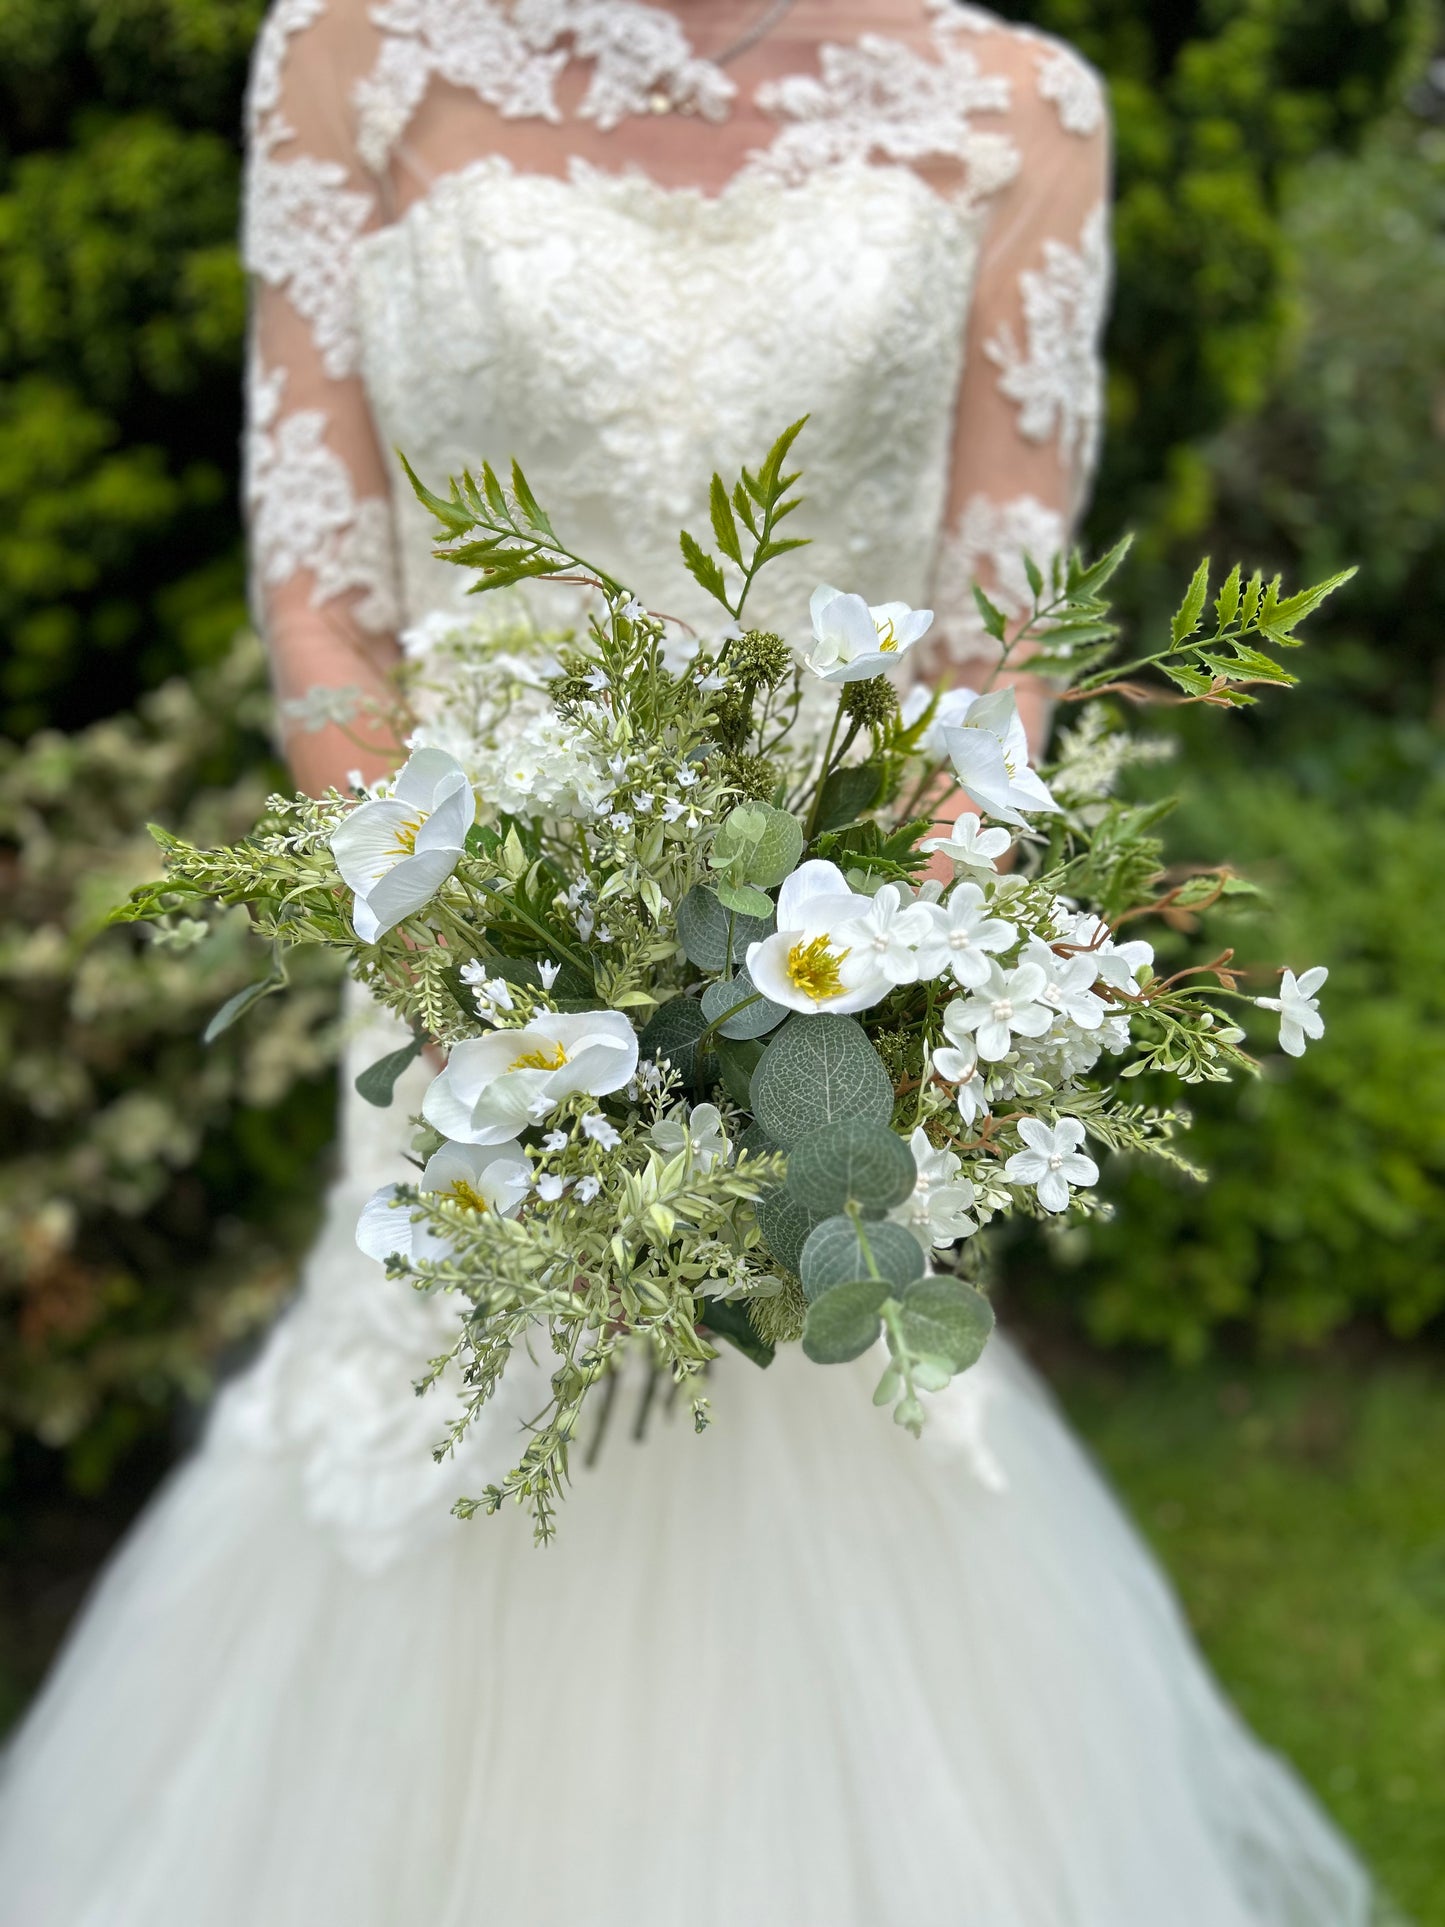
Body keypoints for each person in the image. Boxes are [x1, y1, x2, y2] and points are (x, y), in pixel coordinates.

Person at [0, 5, 1376, 1922]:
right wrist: (475, 962)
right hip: (464, 1003)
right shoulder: (348, 55)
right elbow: (325, 593)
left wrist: (894, 987)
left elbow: (1001, 646)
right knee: (447, 1495)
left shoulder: (1016, 110)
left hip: (826, 981)